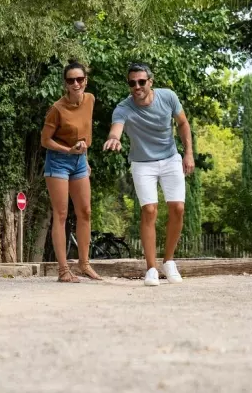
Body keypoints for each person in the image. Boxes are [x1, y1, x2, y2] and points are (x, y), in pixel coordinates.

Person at [103, 63, 194, 286]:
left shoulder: (168, 97)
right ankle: (151, 268)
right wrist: (114, 138)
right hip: (142, 163)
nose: (137, 86)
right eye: (132, 83)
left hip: (170, 158)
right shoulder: (123, 108)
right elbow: (116, 128)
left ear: (150, 82)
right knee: (149, 210)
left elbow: (183, 123)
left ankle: (169, 261)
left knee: (178, 208)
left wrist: (188, 153)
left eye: (141, 82)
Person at [40, 60, 102, 283]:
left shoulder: (90, 99)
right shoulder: (57, 109)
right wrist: (68, 150)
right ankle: (63, 270)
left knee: (85, 211)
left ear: (86, 80)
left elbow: (85, 131)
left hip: (80, 159)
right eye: (70, 80)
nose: (76, 83)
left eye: (79, 79)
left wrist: (85, 157)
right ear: (65, 84)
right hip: (58, 160)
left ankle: (84, 264)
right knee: (61, 214)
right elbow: (45, 140)